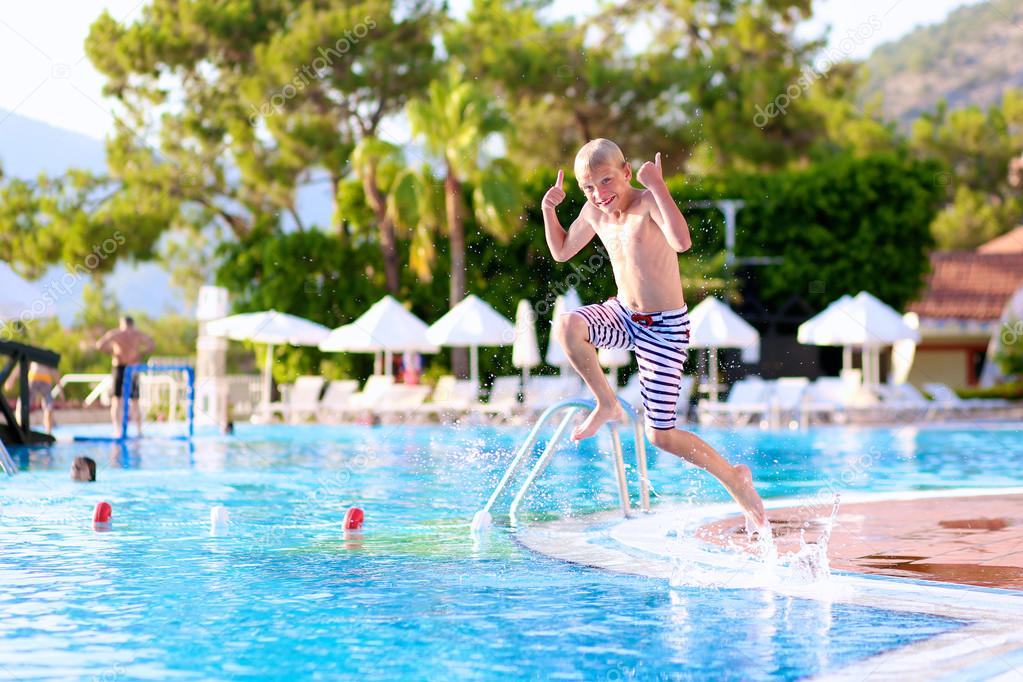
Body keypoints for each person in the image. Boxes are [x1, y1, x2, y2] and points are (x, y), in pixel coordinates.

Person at [541, 139, 767, 528]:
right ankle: (606, 402)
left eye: (607, 181)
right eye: (588, 188)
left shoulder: (646, 203)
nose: (599, 194)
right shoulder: (594, 213)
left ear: (627, 172)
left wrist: (660, 187)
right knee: (567, 325)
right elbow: (561, 251)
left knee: (660, 436)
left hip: (664, 328)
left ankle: (735, 479)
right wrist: (549, 210)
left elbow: (682, 241)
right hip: (623, 315)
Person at [96, 316, 155, 438]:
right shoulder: (137, 334)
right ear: (132, 324)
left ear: (122, 323)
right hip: (130, 367)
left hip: (122, 366)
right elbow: (151, 344)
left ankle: (119, 430)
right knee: (132, 400)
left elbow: (99, 345)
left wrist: (113, 353)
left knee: (120, 400)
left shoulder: (116, 334)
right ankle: (138, 430)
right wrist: (140, 354)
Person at [4, 361, 59, 434]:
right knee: (47, 407)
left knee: (46, 407)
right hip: (40, 379)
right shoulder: (38, 361)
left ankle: (47, 430)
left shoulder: (38, 361)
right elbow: (54, 372)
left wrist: (11, 379)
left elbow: (54, 371)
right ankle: (47, 430)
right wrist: (11, 379)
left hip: (38, 378)